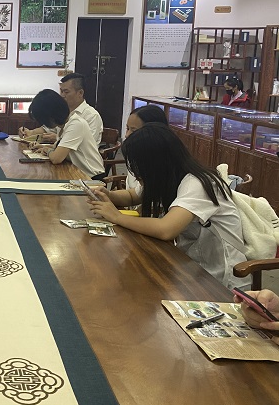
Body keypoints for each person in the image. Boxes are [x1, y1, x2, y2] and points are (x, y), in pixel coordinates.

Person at [88, 123, 249, 289]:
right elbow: (132, 195)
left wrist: (117, 216)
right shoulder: (168, 178)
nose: (136, 176)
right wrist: (109, 195)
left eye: (139, 168)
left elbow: (166, 229)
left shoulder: (197, 184)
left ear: (156, 164)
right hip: (190, 266)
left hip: (221, 282)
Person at [27, 89, 105, 179]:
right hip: (77, 173)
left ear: (51, 116)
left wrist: (47, 151)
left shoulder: (76, 124)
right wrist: (42, 147)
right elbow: (60, 149)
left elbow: (56, 158)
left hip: (92, 177)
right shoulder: (63, 125)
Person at [19, 73, 103, 144]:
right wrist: (30, 132)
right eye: (61, 91)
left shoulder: (91, 116)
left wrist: (58, 139)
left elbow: (88, 144)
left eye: (66, 92)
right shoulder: (62, 111)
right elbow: (47, 129)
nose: (62, 95)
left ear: (80, 93)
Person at [123, 105, 169, 191]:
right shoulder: (135, 153)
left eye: (134, 130)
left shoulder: (162, 164)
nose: (127, 135)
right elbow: (136, 193)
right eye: (127, 128)